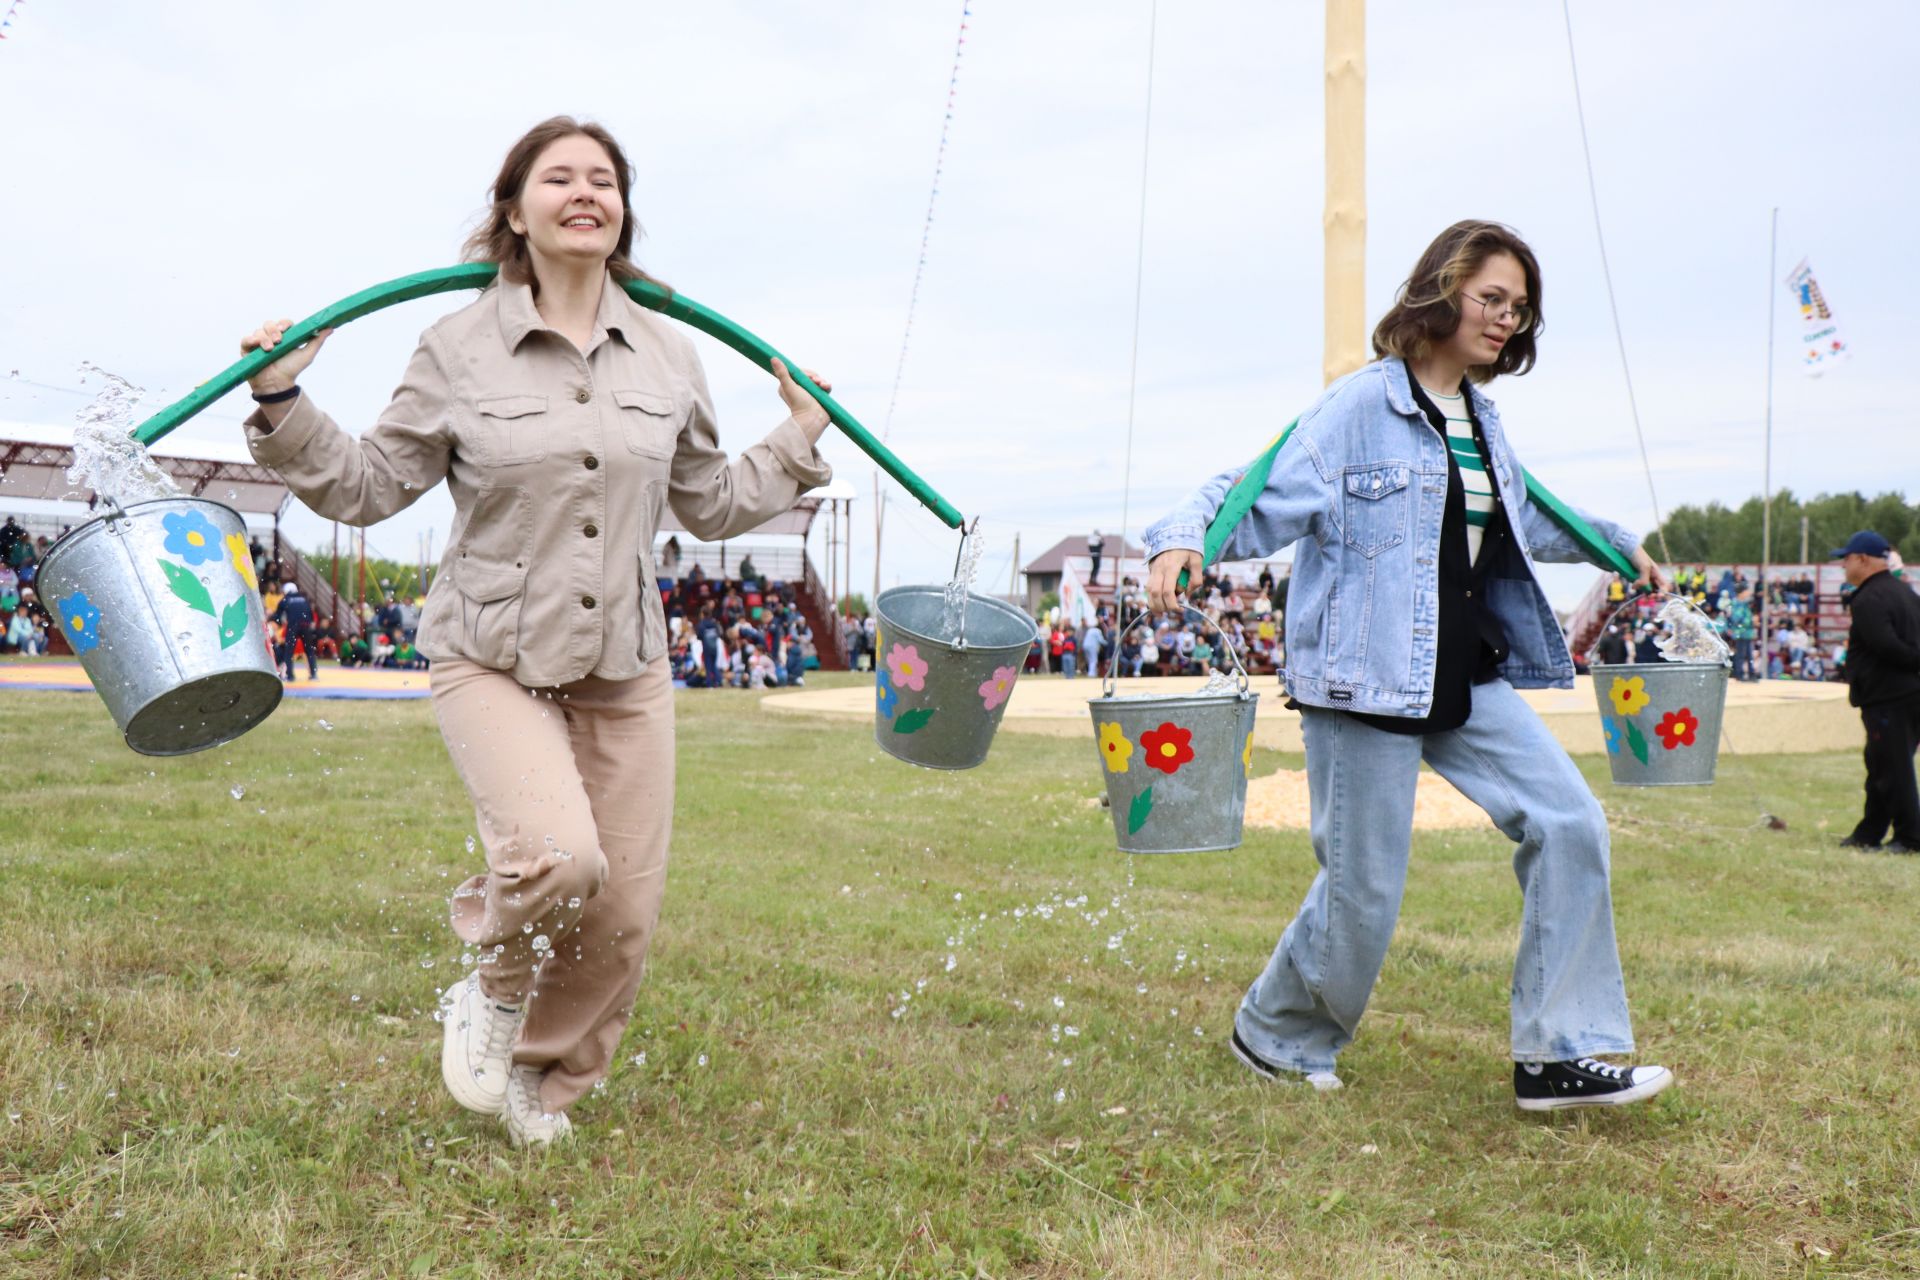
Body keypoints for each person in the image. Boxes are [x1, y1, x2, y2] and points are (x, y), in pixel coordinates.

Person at [236, 117, 835, 1147]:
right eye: (559, 177)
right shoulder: (458, 348)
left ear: (622, 212)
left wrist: (797, 438)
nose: (585, 191)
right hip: (491, 652)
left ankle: (539, 1084)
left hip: (625, 665)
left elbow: (711, 501)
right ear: (516, 210)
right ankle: (497, 983)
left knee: (622, 913)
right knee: (559, 858)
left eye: (604, 179)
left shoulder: (669, 353)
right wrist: (282, 396)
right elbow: (371, 483)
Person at [1144, 221, 1673, 1112]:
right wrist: (1180, 541)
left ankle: (1558, 1054)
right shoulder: (1360, 407)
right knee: (1364, 890)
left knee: (1571, 821)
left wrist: (1616, 547)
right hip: (1363, 679)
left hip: (1462, 673)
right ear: (1442, 291)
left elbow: (1529, 513)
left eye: (1519, 308)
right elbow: (1258, 481)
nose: (1507, 319)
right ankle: (1275, 1034)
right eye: (1492, 298)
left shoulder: (1482, 419)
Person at [1831, 531, 1920, 853]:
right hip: (1906, 695)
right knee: (1883, 766)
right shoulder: (1906, 594)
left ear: (1863, 559)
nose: (1843, 565)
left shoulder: (1869, 598)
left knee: (1893, 769)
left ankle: (1910, 837)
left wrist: (1913, 662)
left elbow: (1885, 645)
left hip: (1888, 698)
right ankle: (1868, 833)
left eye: (1846, 558)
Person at [270, 581, 319, 681]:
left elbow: (277, 616)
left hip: (293, 626)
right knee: (309, 651)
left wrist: (273, 620)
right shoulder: (304, 599)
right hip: (306, 626)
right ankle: (313, 674)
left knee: (289, 652)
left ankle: (290, 676)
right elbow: (310, 614)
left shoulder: (285, 600)